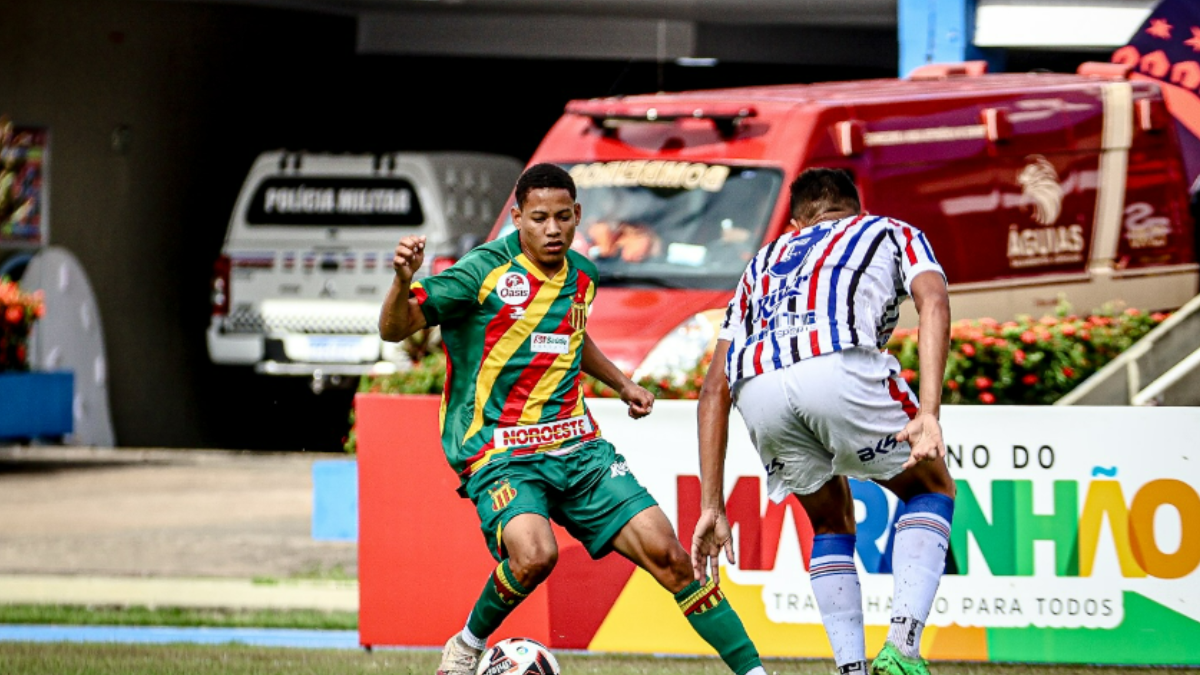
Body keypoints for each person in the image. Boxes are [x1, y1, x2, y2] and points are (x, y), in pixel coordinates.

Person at [379, 163, 768, 675]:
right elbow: (395, 327)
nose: (553, 229)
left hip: (578, 448)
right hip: (499, 452)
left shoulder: (583, 275)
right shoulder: (481, 272)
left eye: (563, 217)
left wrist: (623, 383)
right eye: (539, 218)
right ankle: (468, 644)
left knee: (671, 555)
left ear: (578, 215)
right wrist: (403, 279)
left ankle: (758, 673)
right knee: (535, 556)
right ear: (517, 217)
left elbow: (570, 337)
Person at [690, 168, 956, 675]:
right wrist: (928, 413)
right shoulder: (890, 231)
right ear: (856, 209)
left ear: (795, 223)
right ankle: (902, 649)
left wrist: (712, 505)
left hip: (758, 384)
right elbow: (934, 301)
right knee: (932, 488)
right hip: (836, 365)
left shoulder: (762, 261)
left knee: (830, 518)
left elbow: (712, 390)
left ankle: (851, 670)